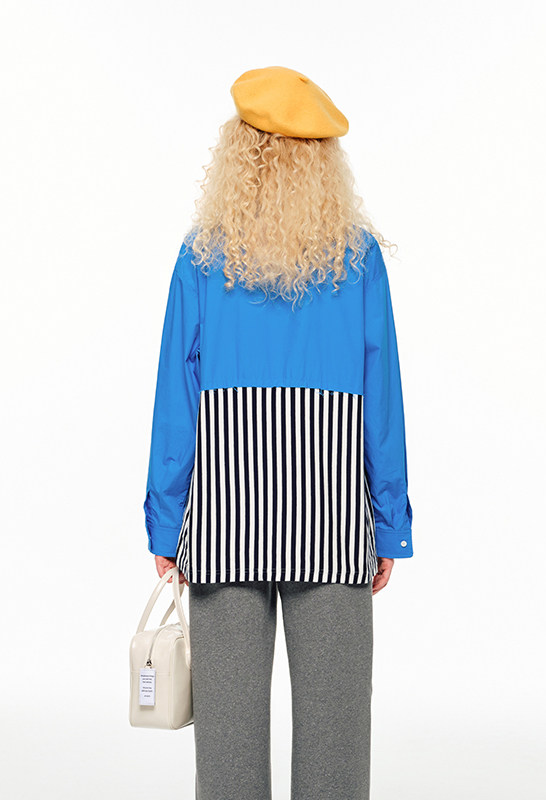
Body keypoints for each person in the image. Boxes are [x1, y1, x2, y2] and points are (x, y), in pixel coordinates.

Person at [143, 65, 413, 800]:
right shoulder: (357, 260)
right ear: (325, 163)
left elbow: (176, 401)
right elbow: (382, 398)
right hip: (332, 521)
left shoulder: (202, 256)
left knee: (226, 750)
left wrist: (165, 522)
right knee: (336, 747)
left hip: (224, 523)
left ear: (238, 154)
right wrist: (390, 524)